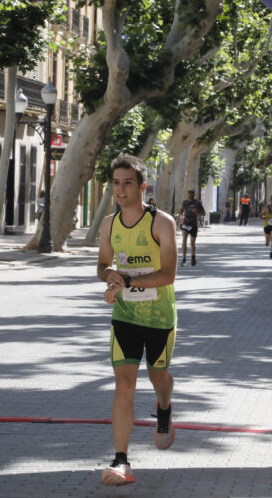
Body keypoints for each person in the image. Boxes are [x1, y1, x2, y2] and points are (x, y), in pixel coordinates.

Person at [96, 154, 178, 486]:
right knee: (124, 385)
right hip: (126, 317)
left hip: (159, 319)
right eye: (116, 183)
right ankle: (121, 461)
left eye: (127, 183)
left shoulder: (162, 223)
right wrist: (110, 279)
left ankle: (164, 406)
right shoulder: (108, 224)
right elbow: (102, 266)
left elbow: (168, 275)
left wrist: (126, 281)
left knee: (158, 378)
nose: (120, 189)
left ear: (142, 186)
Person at [178, 190, 205, 266]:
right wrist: (180, 213)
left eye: (191, 194)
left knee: (192, 243)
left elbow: (204, 213)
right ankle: (184, 259)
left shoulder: (197, 203)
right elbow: (182, 210)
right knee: (184, 240)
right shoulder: (185, 202)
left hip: (194, 224)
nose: (189, 195)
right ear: (187, 195)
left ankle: (193, 256)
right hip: (186, 223)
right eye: (188, 194)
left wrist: (197, 212)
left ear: (194, 195)